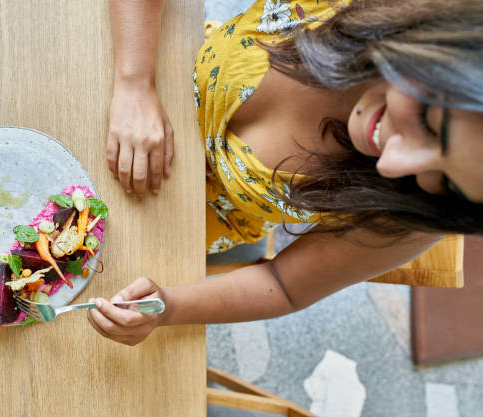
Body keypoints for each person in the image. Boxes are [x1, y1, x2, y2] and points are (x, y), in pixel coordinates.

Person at [91, 0, 483, 346]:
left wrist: (167, 307)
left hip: (179, 221)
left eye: (444, 182)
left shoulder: (421, 211)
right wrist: (134, 83)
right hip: (136, 61)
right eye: (431, 125)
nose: (391, 165)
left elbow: (283, 286)